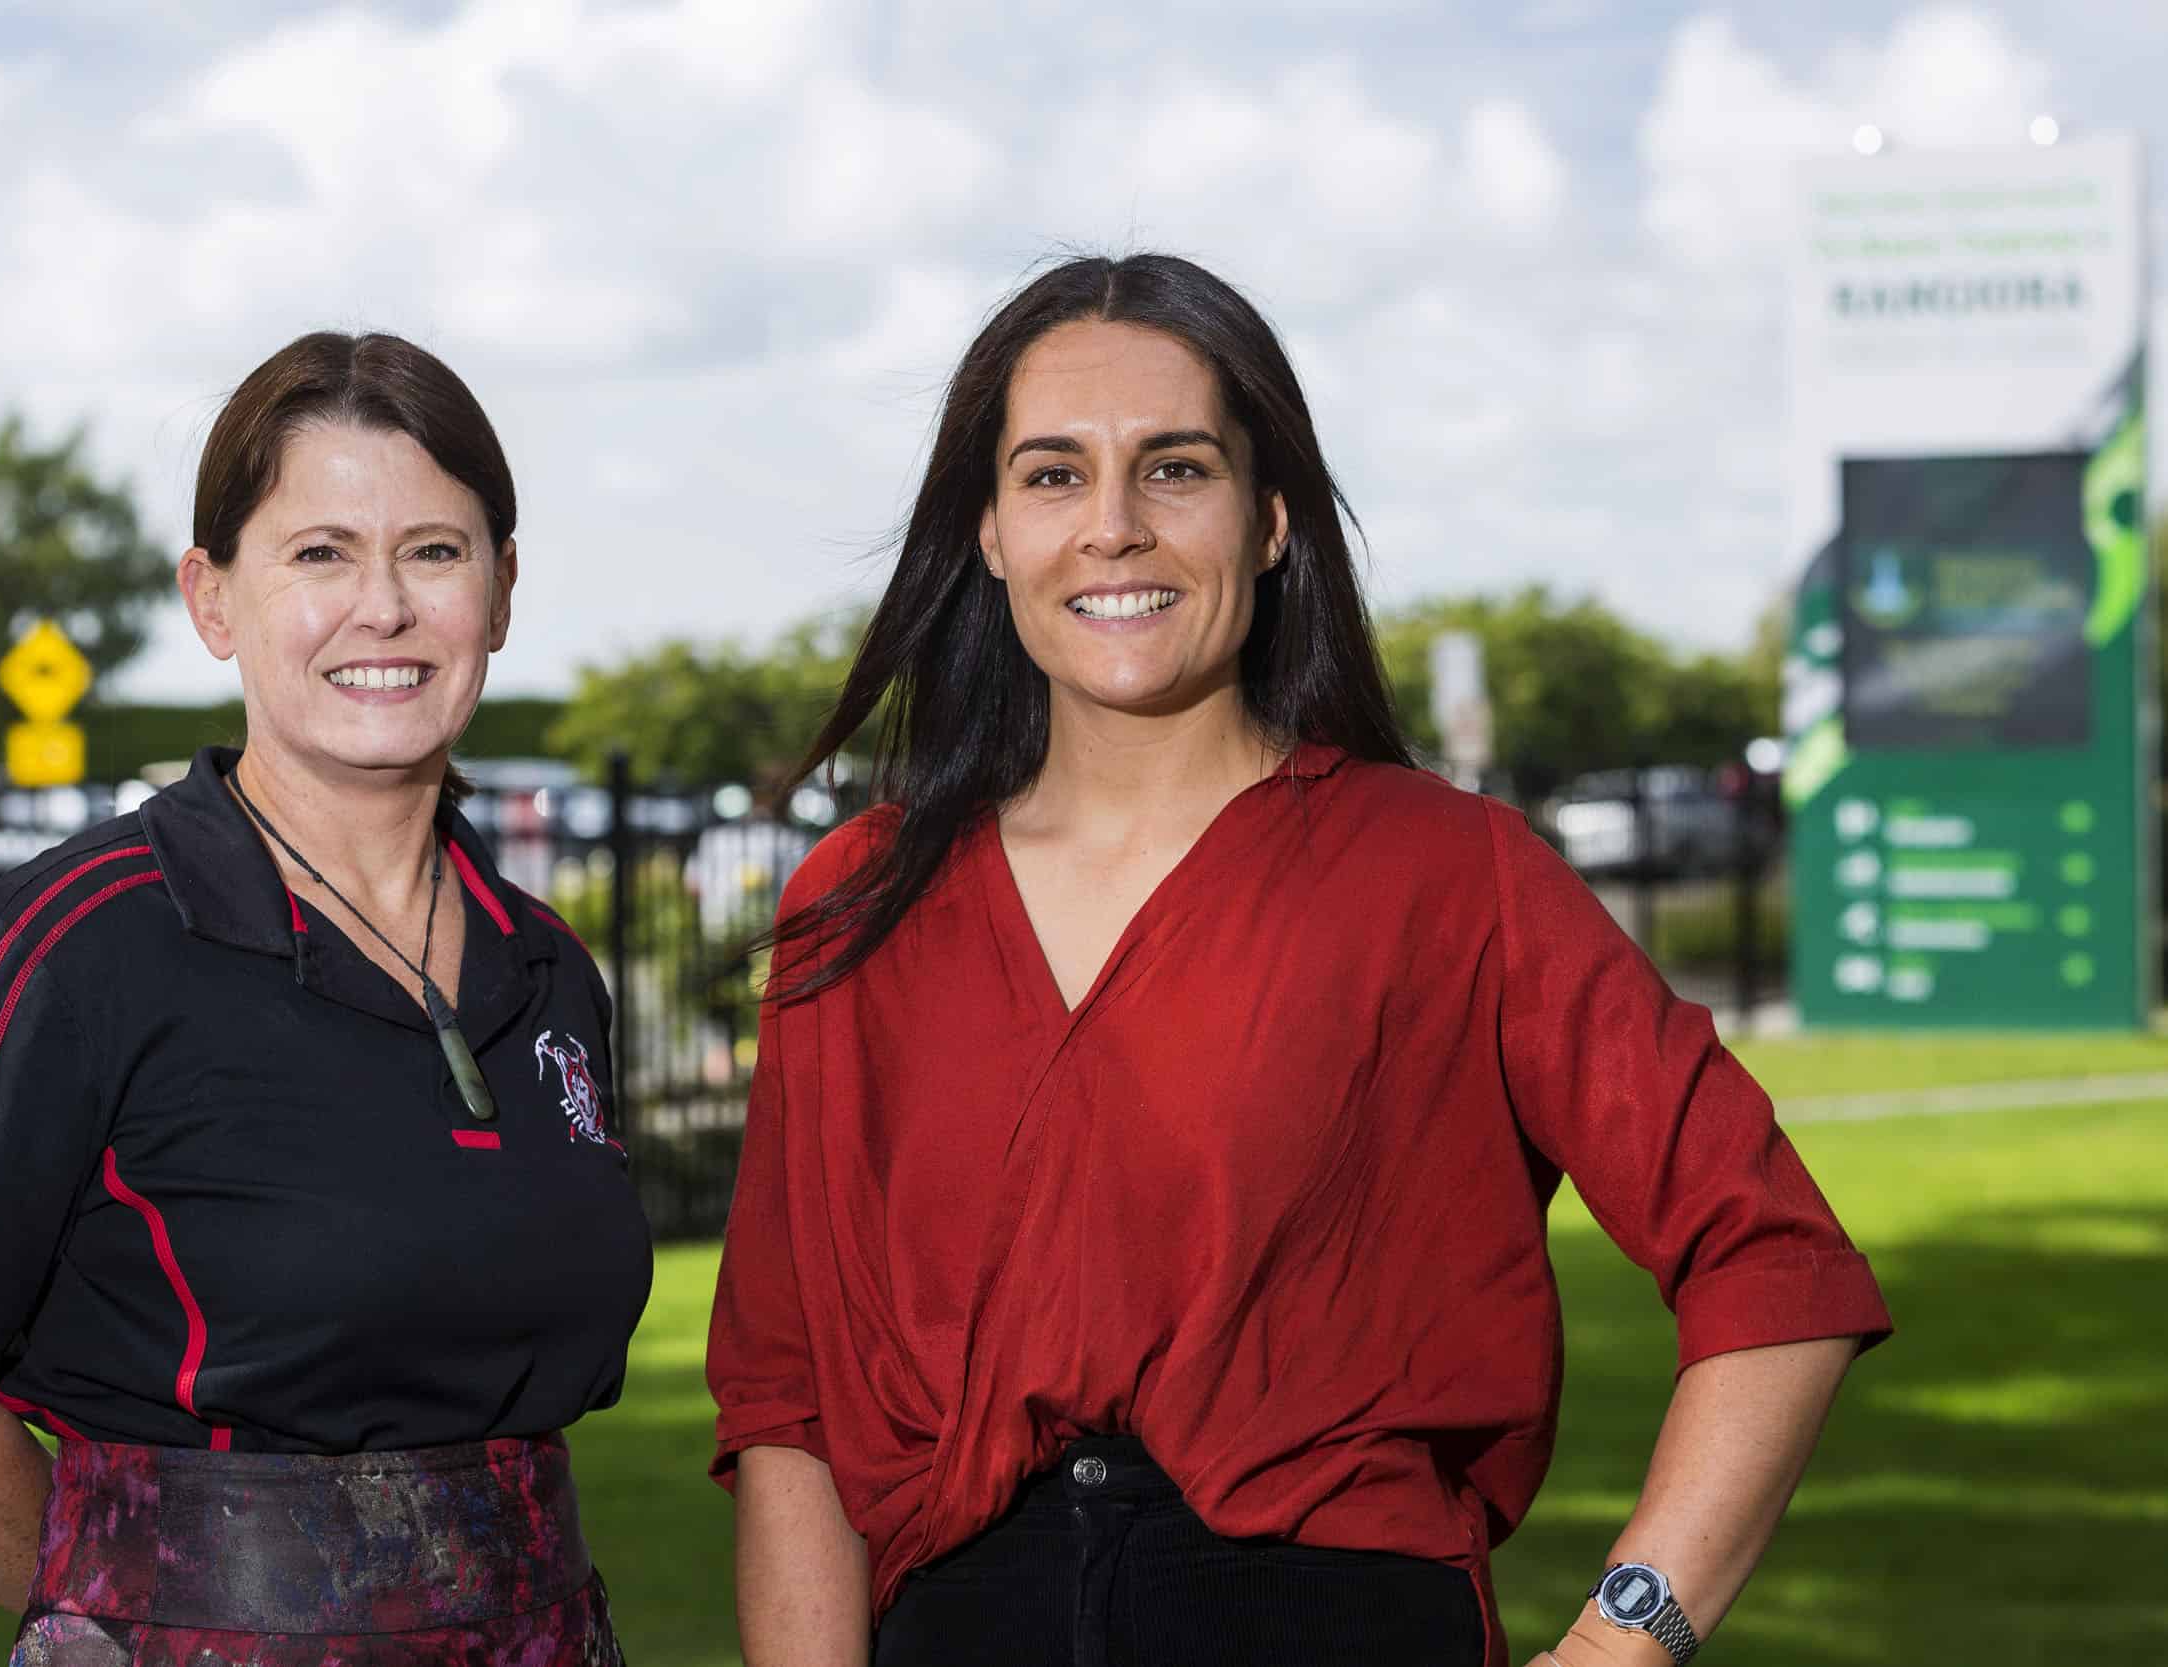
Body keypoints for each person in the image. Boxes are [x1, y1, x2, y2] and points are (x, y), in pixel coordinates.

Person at [705, 254, 1892, 1667]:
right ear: (989, 532)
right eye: (1053, 476)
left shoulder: (1447, 876)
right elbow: (789, 1406)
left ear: (1270, 523)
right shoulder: (865, 906)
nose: (1115, 528)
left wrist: (1620, 1643)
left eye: (1176, 468)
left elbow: (1776, 1261)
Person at [0, 331, 651, 1665]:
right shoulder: (61, 951)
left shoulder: (548, 972)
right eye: (319, 554)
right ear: (212, 599)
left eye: (435, 551)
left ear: (499, 594)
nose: (383, 606)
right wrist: (152, 1610)